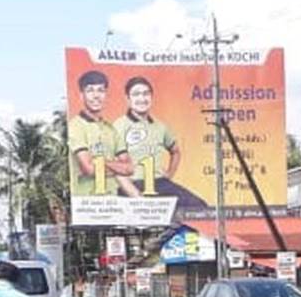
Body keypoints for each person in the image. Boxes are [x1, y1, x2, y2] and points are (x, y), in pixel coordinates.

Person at [112, 76, 206, 209]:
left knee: (200, 207)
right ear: (128, 99)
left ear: (151, 97)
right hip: (133, 185)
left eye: (146, 94)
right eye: (136, 94)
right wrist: (138, 198)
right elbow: (116, 171)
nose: (142, 99)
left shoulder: (160, 126)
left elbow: (176, 151)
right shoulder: (118, 126)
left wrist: (169, 174)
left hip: (160, 183)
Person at [67, 70, 141, 198]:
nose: (96, 96)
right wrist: (117, 167)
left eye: (100, 90)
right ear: (81, 95)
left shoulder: (110, 130)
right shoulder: (75, 126)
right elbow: (89, 169)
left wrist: (101, 162)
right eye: (90, 90)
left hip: (113, 202)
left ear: (105, 94)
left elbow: (129, 168)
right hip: (88, 205)